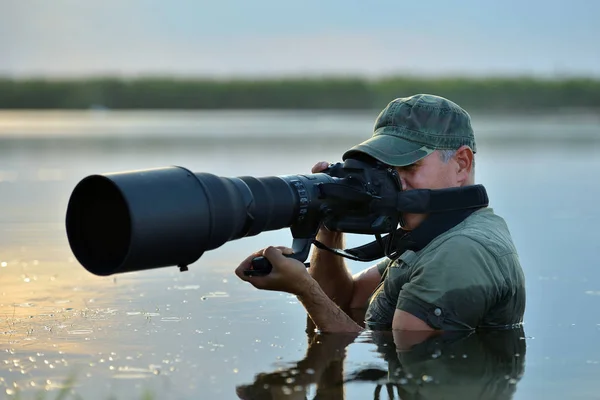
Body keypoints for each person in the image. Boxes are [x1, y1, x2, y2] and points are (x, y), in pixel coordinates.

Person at [235, 94, 526, 333]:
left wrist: (304, 289)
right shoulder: (431, 236)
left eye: (409, 167)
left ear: (461, 164)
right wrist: (330, 215)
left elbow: (396, 355)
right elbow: (347, 301)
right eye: (385, 168)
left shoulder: (460, 251)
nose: (392, 182)